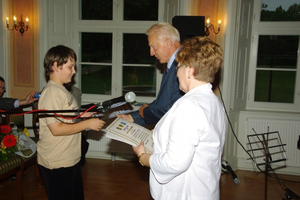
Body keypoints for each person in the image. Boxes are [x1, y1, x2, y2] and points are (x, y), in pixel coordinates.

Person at [132, 36, 225, 200]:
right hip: (204, 189)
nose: (176, 71)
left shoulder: (190, 106)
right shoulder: (211, 101)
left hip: (186, 193)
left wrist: (143, 157)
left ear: (190, 71)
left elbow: (174, 163)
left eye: (179, 66)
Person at [37, 45, 106, 200]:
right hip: (57, 161)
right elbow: (56, 129)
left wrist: (82, 115)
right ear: (56, 65)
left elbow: (65, 118)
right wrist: (88, 124)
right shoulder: (52, 92)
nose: (74, 71)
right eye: (70, 67)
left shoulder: (61, 90)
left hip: (69, 157)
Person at [117, 22, 183, 126]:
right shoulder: (173, 64)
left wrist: (145, 112)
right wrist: (132, 117)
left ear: (168, 43)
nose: (151, 53)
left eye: (154, 47)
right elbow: (162, 103)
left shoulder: (182, 65)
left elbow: (173, 110)